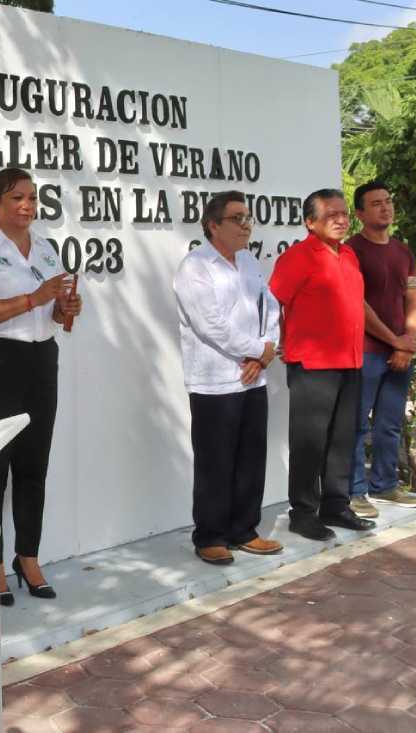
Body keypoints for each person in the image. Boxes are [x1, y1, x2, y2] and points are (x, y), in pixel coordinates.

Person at [0, 166, 82, 606]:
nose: (27, 206)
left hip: (41, 361)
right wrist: (36, 297)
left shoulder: (46, 249)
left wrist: (66, 306)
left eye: (32, 198)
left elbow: (56, 316)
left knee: (33, 466)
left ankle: (27, 557)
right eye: (16, 198)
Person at [174, 191, 283, 565]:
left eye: (247, 217)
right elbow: (211, 326)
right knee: (216, 461)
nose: (246, 224)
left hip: (252, 377)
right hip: (214, 379)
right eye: (236, 218)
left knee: (251, 457)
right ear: (213, 225)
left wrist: (266, 350)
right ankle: (210, 535)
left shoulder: (250, 262)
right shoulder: (195, 267)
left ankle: (244, 530)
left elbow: (270, 307)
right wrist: (257, 350)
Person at [269, 189, 376, 541]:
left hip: (350, 361)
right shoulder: (298, 257)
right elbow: (272, 304)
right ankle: (303, 512)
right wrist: (277, 341)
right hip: (313, 364)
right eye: (331, 215)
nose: (341, 220)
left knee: (342, 439)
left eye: (344, 213)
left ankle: (336, 505)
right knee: (310, 441)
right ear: (310, 221)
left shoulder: (348, 255)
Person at [344, 181, 416, 518]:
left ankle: (386, 485)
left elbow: (413, 298)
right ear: (360, 213)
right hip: (364, 351)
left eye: (388, 201)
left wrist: (408, 340)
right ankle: (354, 491)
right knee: (357, 425)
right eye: (376, 203)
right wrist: (395, 341)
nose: (385, 208)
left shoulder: (403, 252)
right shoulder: (352, 250)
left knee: (390, 424)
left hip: (399, 351)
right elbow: (357, 305)